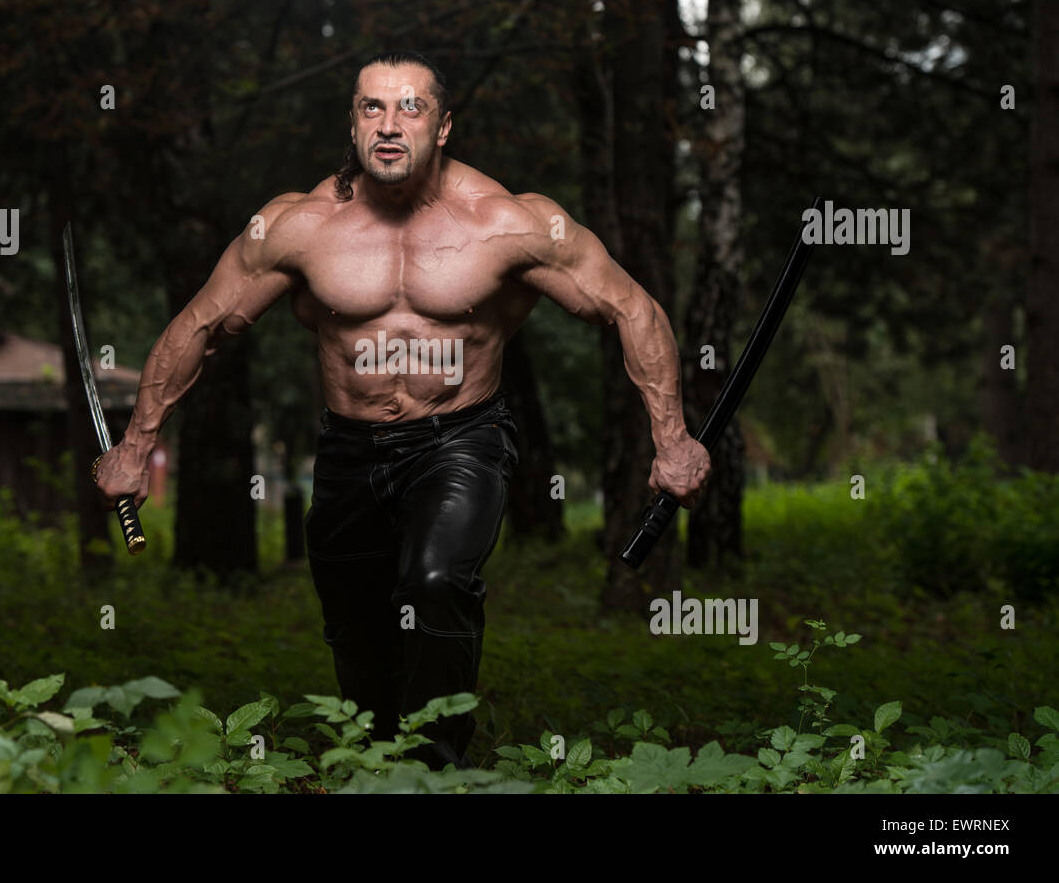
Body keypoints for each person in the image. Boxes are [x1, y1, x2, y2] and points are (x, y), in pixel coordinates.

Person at [94, 50, 711, 770]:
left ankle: (437, 772)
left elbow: (631, 307)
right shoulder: (297, 227)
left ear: (443, 126)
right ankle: (381, 762)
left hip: (462, 439)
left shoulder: (508, 222)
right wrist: (136, 445)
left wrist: (672, 441)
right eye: (371, 108)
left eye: (410, 107)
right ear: (352, 125)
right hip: (349, 450)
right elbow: (201, 324)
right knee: (359, 636)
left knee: (435, 579)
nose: (390, 125)